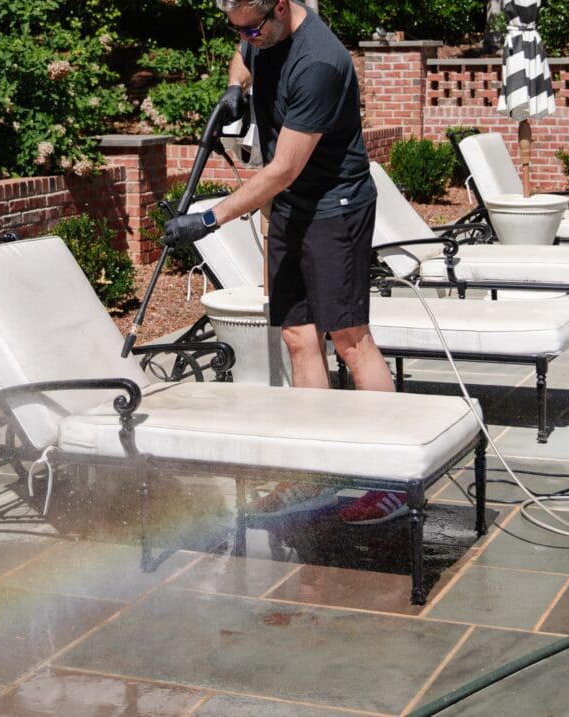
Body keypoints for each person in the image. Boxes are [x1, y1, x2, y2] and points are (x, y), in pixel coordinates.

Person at [162, 0, 407, 525]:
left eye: (255, 29)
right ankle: (314, 472)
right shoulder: (259, 31)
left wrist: (208, 221)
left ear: (280, 8)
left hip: (333, 205)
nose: (247, 39)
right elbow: (245, 49)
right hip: (295, 207)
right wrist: (236, 87)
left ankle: (393, 480)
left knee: (349, 337)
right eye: (238, 31)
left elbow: (283, 169)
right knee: (298, 334)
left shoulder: (318, 63)